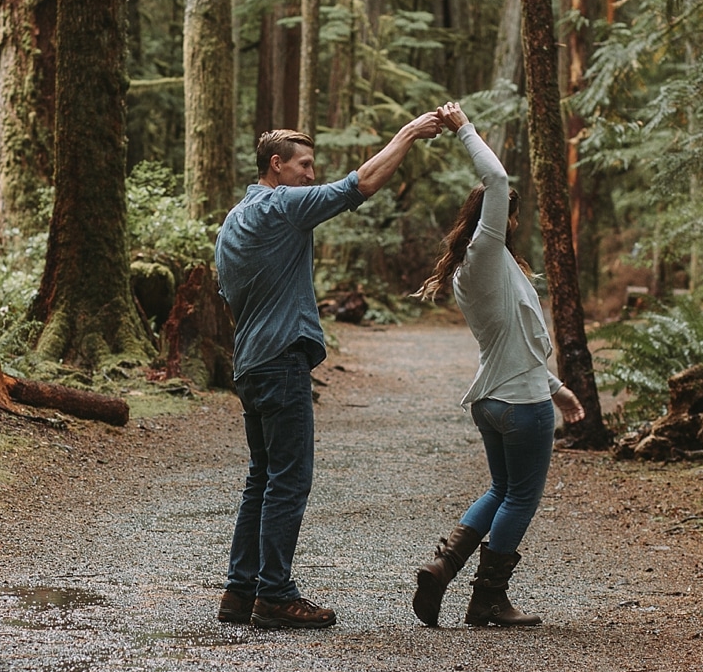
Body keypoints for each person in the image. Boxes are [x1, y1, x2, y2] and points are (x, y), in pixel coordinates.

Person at [214, 112, 450, 630]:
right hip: (279, 362)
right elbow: (358, 186)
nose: (310, 174)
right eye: (303, 165)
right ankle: (274, 594)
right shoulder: (281, 206)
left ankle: (240, 589)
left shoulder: (233, 220)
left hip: (250, 363)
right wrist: (408, 133)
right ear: (275, 166)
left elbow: (228, 292)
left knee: (262, 477)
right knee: (289, 480)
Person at [409, 102, 584, 629]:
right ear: (492, 216)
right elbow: (497, 177)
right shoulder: (485, 253)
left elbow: (513, 341)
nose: (513, 218)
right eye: (508, 211)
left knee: (501, 490)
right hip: (517, 405)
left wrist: (556, 387)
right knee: (520, 499)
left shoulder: (481, 267)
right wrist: (464, 129)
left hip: (495, 398)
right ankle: (488, 598)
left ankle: (443, 566)